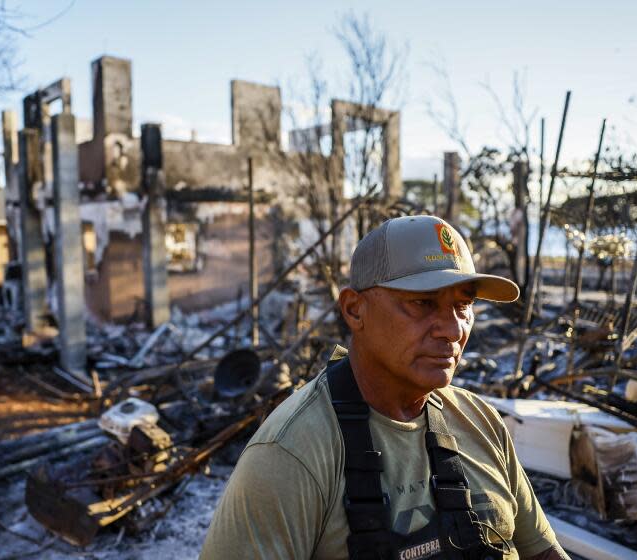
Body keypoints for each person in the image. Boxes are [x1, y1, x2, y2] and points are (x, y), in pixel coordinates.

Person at [200, 215, 569, 560]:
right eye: (422, 303)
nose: (454, 330)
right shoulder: (291, 454)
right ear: (354, 309)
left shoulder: (481, 423)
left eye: (464, 305)